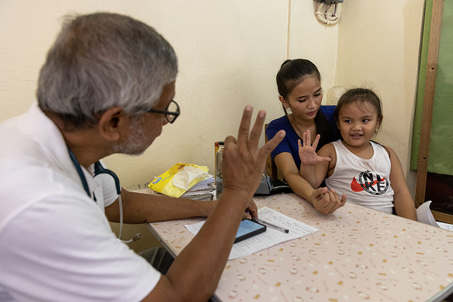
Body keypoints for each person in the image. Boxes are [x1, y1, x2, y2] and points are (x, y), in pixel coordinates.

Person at [0, 12, 285, 302]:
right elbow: (178, 297)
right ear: (113, 122)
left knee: (167, 257)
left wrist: (208, 209)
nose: (167, 120)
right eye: (165, 110)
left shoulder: (59, 134)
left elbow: (119, 203)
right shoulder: (43, 203)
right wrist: (236, 192)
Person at [298, 88, 417, 220]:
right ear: (338, 122)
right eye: (348, 121)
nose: (356, 127)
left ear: (378, 122)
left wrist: (412, 226)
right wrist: (307, 165)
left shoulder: (387, 153)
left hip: (385, 224)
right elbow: (312, 184)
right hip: (344, 222)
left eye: (365, 120)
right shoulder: (331, 151)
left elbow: (401, 193)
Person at [266, 59, 345, 215]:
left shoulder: (336, 115)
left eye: (317, 94)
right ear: (284, 101)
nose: (313, 105)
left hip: (343, 196)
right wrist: (312, 196)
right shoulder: (278, 128)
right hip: (304, 202)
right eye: (302, 100)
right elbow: (289, 172)